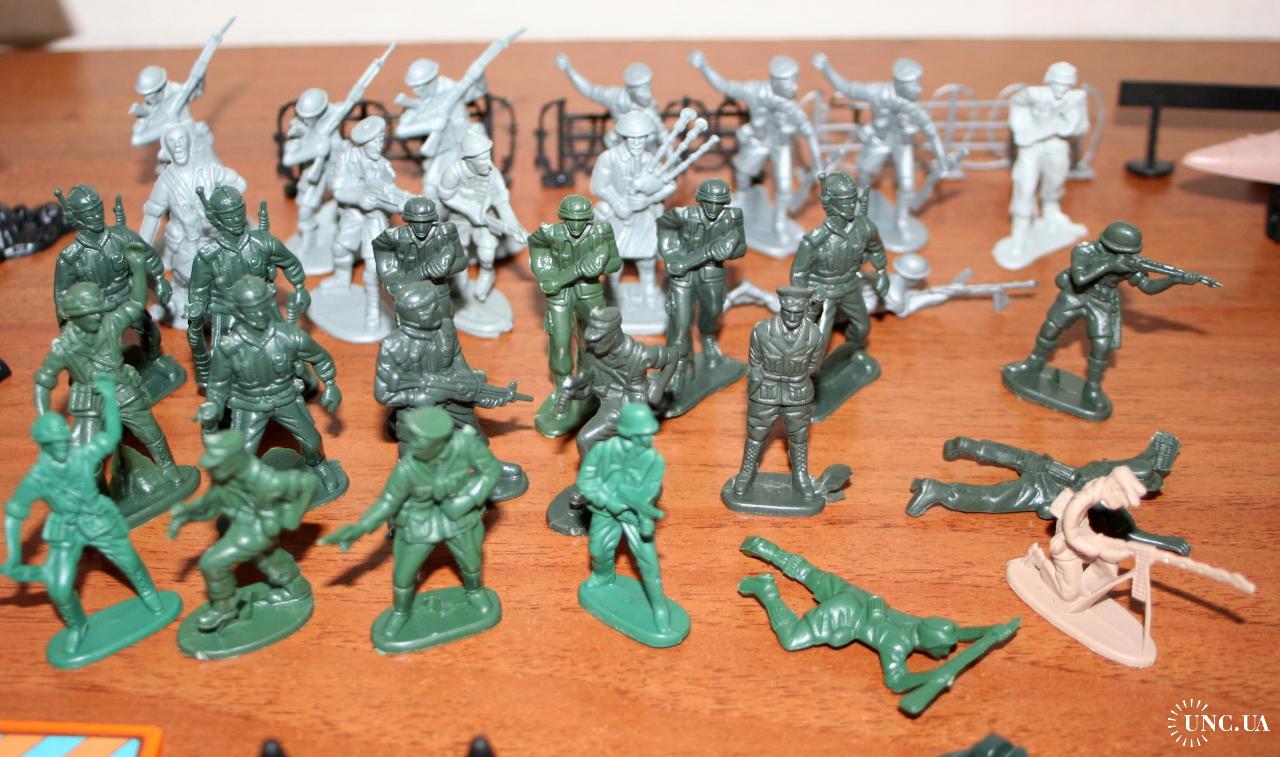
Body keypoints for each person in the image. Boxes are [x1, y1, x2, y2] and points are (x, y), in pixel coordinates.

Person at [4, 377, 169, 657]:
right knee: (59, 587)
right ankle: (77, 627)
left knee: (129, 562)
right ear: (44, 445)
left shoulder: (82, 455)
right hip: (66, 529)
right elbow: (14, 512)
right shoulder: (38, 476)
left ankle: (150, 595)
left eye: (63, 439)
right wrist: (14, 554)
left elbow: (111, 435)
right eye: (54, 442)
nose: (62, 445)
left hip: (97, 518)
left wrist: (109, 399)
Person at [321, 406, 501, 640]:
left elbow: (491, 470)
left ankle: (475, 591)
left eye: (420, 439)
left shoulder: (464, 445)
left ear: (440, 441)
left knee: (472, 562)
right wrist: (361, 527)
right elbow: (388, 501)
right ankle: (401, 612)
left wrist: (468, 499)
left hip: (459, 516)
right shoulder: (408, 468)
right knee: (403, 575)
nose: (413, 444)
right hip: (419, 521)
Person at [199, 276, 344, 495]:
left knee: (312, 441)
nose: (258, 314)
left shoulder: (289, 336)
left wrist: (330, 384)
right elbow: (218, 384)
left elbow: (320, 357)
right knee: (242, 454)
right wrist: (214, 406)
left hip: (285, 398)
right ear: (238, 311)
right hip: (249, 404)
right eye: (251, 310)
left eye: (262, 306)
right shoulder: (229, 348)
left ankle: (317, 465)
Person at [730, 287, 824, 504]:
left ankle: (800, 476)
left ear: (803, 310)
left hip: (797, 392)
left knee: (799, 437)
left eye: (797, 313)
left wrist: (796, 375)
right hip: (766, 391)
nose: (792, 317)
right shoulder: (762, 330)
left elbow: (814, 366)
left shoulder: (814, 335)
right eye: (788, 311)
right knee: (756, 434)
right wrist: (756, 377)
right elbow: (754, 361)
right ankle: (746, 472)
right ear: (781, 307)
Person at [554, 54, 664, 147]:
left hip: (646, 150)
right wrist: (569, 69)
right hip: (621, 150)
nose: (647, 94)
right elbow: (590, 90)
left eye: (648, 87)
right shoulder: (615, 97)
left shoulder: (650, 108)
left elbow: (662, 135)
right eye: (642, 89)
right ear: (630, 89)